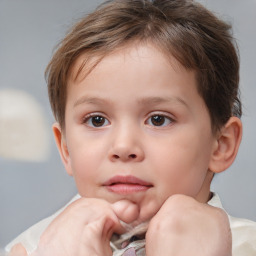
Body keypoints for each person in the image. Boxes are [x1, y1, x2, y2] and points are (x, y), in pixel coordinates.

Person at [6, 0, 256, 255]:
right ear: (66, 148)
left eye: (158, 119)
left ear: (221, 145)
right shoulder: (31, 248)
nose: (124, 147)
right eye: (97, 120)